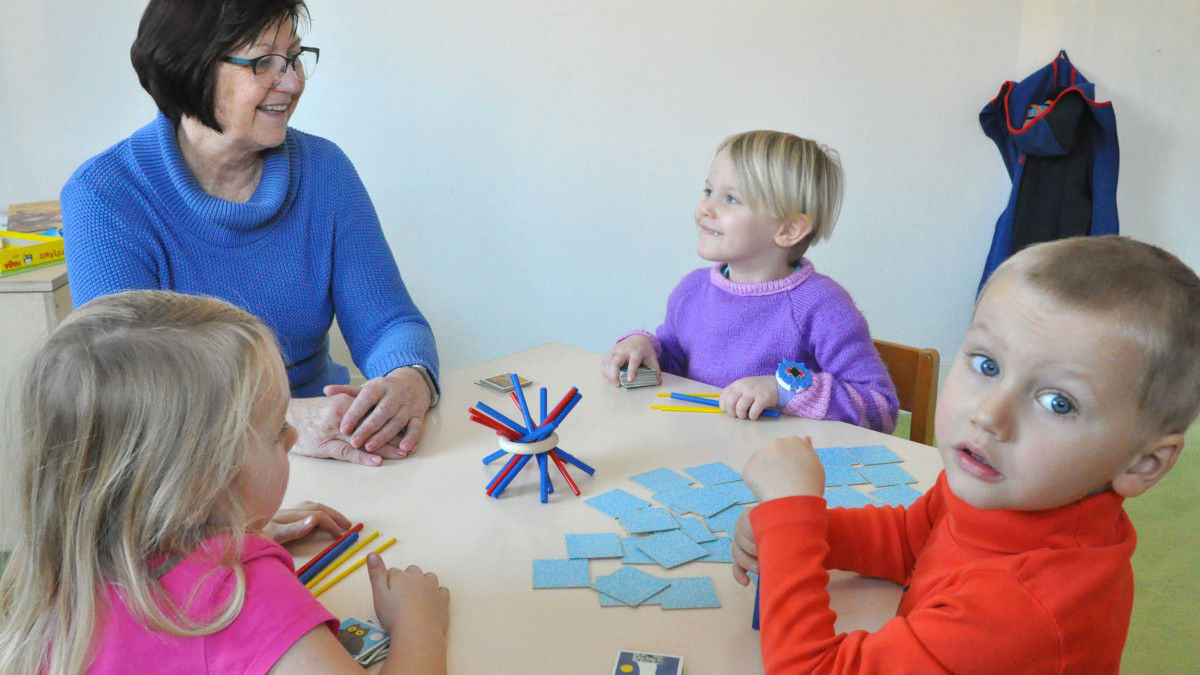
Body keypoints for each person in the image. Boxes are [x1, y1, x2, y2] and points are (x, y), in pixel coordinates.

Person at [730, 236, 1200, 673]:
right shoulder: (1001, 485)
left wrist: (791, 516)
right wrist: (802, 534)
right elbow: (910, 542)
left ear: (1142, 464)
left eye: (1059, 402)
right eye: (987, 365)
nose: (990, 417)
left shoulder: (1019, 608)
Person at [60, 0, 437, 467]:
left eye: (295, 58)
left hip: (329, 447)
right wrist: (285, 421)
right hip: (187, 467)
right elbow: (130, 396)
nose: (294, 82)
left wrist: (408, 380)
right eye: (264, 63)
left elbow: (389, 323)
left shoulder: (325, 170)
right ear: (191, 69)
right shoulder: (104, 196)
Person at [0, 291, 450, 674]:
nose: (294, 436)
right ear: (192, 490)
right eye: (276, 431)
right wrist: (417, 624)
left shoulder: (42, 571)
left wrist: (231, 526)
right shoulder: (241, 595)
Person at [601, 130, 897, 431]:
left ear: (789, 229)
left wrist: (783, 391)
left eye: (731, 198)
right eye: (708, 192)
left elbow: (880, 408)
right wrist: (643, 347)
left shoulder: (823, 306)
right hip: (700, 456)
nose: (706, 208)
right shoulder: (691, 292)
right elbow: (673, 366)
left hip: (781, 469)